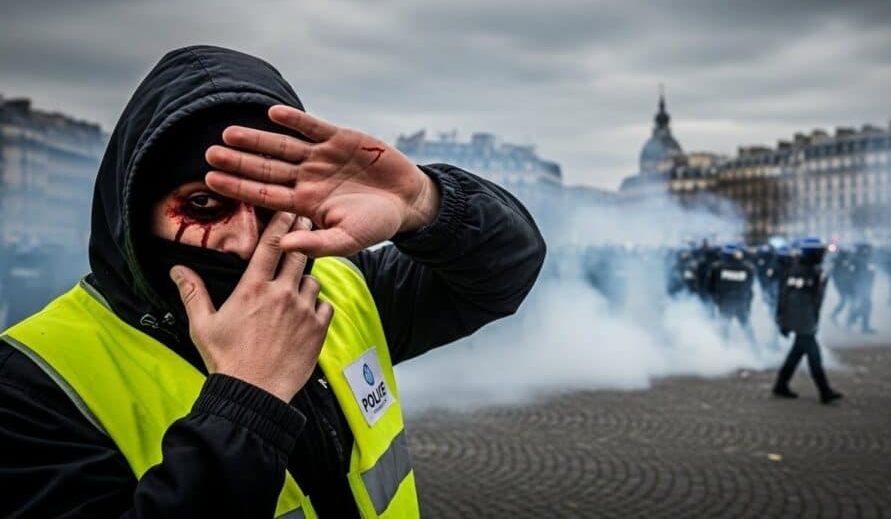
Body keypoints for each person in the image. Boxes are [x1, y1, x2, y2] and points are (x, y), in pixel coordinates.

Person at [0, 45, 546, 518]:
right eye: (203, 205)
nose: (244, 241)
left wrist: (424, 204)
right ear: (136, 216)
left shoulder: (339, 287)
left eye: (269, 205)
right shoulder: (33, 383)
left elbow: (506, 271)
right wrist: (247, 403)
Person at [772, 237, 843, 404]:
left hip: (805, 320)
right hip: (802, 321)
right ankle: (824, 391)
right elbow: (786, 297)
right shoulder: (803, 271)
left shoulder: (808, 270)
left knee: (796, 353)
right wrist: (783, 320)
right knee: (814, 355)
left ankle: (781, 385)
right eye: (820, 252)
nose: (822, 255)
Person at [706, 242, 756, 349]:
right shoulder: (748, 268)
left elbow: (710, 287)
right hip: (741, 304)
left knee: (724, 329)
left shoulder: (717, 267)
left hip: (725, 304)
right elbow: (750, 290)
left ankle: (724, 352)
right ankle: (756, 352)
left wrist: (717, 300)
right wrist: (748, 304)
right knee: (747, 330)